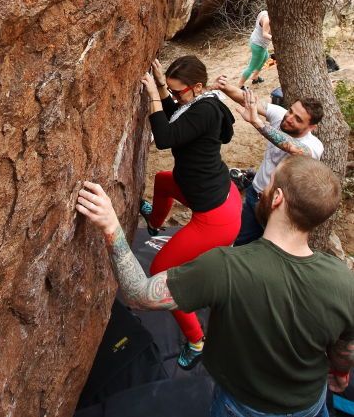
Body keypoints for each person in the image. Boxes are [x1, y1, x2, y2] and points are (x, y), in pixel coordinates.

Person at [76, 155, 354, 417]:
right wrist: (341, 374)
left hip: (242, 406)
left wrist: (111, 226)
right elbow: (344, 348)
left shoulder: (225, 266)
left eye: (270, 182)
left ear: (277, 199)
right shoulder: (344, 280)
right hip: (310, 402)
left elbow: (139, 294)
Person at [139, 55, 241, 369]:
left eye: (178, 91)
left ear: (197, 87)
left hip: (215, 218)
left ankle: (197, 341)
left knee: (161, 273)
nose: (175, 95)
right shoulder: (198, 103)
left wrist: (154, 96)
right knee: (163, 180)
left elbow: (166, 138)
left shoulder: (207, 110)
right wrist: (162, 87)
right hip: (216, 194)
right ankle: (155, 222)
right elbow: (178, 118)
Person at [215, 77, 324, 246]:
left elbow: (294, 148)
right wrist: (224, 86)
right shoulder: (281, 116)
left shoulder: (314, 146)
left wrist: (257, 123)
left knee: (268, 248)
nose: (289, 118)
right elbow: (248, 100)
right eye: (291, 111)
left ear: (312, 127)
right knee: (240, 242)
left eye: (298, 119)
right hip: (255, 194)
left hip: (278, 208)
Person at [238, 9, 272, 87]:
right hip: (259, 45)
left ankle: (255, 77)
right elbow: (265, 34)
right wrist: (276, 39)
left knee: (265, 57)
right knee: (252, 66)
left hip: (256, 40)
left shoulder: (264, 12)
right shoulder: (267, 20)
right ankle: (240, 85)